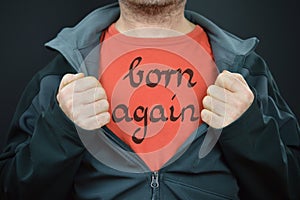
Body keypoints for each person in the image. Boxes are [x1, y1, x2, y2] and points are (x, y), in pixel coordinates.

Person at [0, 0, 299, 199]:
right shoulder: (62, 73)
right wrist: (61, 129)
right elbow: (13, 189)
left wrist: (248, 129)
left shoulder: (245, 69)